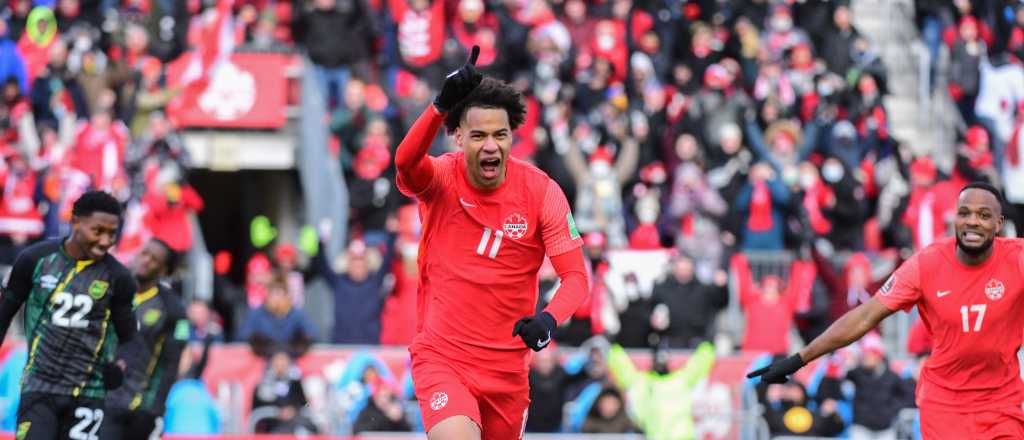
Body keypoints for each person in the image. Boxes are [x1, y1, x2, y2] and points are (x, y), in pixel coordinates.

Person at [394, 46, 589, 439]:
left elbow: (576, 279)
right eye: (478, 135)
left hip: (507, 372)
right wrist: (437, 108)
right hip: (443, 357)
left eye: (500, 135)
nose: (490, 146)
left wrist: (548, 319)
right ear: (458, 137)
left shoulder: (541, 192)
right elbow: (405, 162)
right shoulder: (440, 180)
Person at [749, 182, 1024, 438]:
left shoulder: (1017, 259)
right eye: (964, 213)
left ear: (999, 223)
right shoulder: (926, 265)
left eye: (984, 215)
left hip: (1000, 402)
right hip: (945, 405)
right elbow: (865, 316)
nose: (972, 221)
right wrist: (799, 359)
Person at [0, 191, 138, 439]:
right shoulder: (35, 259)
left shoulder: (119, 277)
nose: (105, 240)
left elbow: (129, 338)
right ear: (75, 222)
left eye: (112, 234)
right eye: (98, 231)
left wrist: (120, 365)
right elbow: (4, 313)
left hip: (88, 393)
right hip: (39, 388)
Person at [102, 239, 189, 440]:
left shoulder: (172, 307)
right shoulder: (111, 291)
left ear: (164, 269)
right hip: (103, 400)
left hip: (140, 407)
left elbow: (172, 363)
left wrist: (156, 407)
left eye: (154, 259)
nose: (146, 261)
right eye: (144, 254)